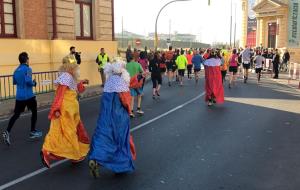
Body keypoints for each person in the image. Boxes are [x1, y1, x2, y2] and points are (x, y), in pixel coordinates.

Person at [88, 60, 136, 177]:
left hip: (105, 117)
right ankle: (120, 165)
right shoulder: (121, 84)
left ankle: (95, 159)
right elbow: (126, 102)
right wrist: (129, 110)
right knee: (120, 140)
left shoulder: (109, 83)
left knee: (104, 138)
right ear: (121, 72)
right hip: (119, 118)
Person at [40, 58, 90, 168]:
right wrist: (56, 109)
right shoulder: (66, 76)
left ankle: (73, 154)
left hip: (72, 111)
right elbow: (60, 94)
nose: (77, 68)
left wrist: (82, 82)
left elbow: (77, 89)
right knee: (67, 132)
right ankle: (52, 151)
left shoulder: (70, 77)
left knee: (71, 132)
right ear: (70, 67)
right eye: (75, 66)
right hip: (66, 111)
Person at [2, 52, 42, 146]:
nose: (29, 60)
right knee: (34, 112)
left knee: (16, 115)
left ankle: (7, 132)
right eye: (28, 58)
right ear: (26, 59)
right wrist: (34, 83)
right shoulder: (28, 69)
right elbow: (28, 82)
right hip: (29, 96)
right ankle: (32, 131)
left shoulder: (16, 70)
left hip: (19, 96)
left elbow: (15, 82)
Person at [126, 53, 144, 117]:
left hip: (130, 83)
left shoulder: (126, 65)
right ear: (133, 58)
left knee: (132, 97)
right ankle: (138, 109)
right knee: (139, 95)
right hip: (137, 82)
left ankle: (131, 111)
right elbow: (142, 72)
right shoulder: (138, 64)